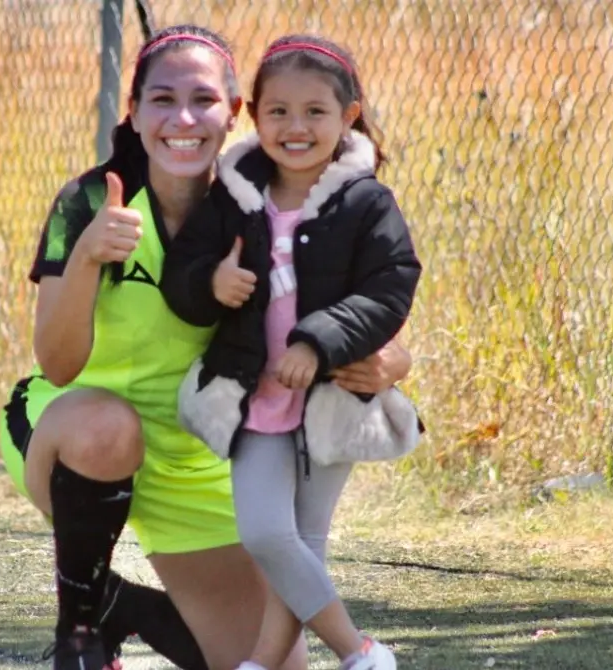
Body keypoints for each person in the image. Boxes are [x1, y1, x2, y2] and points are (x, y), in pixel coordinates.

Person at [0, 24, 414, 670]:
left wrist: (392, 361)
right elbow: (57, 363)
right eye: (162, 100)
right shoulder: (89, 200)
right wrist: (87, 255)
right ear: (134, 112)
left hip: (198, 454)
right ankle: (79, 629)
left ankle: (123, 607)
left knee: (271, 664)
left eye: (204, 101)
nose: (183, 120)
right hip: (76, 429)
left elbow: (367, 310)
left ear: (235, 112)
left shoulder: (262, 200)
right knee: (108, 428)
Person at [159, 34, 421, 670]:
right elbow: (183, 271)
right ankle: (360, 651)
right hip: (254, 397)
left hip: (333, 398)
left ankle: (262, 662)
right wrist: (211, 283)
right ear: (254, 114)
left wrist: (317, 341)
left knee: (303, 540)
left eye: (315, 112)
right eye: (278, 111)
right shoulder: (233, 197)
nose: (295, 127)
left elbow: (390, 288)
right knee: (266, 533)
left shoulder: (367, 202)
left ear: (348, 115)